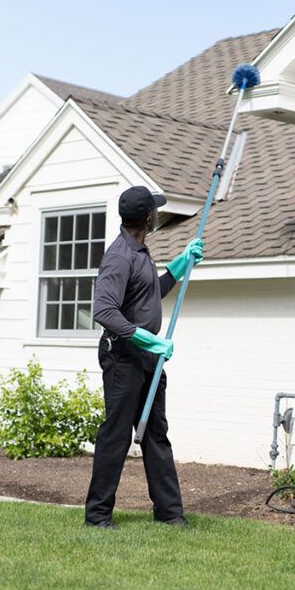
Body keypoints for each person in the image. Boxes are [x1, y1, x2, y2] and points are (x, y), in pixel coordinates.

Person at [84, 185, 204, 529]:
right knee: (117, 434)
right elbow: (104, 311)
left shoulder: (140, 253)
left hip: (148, 360)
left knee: (155, 433)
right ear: (148, 217)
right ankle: (97, 517)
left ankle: (170, 513)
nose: (157, 213)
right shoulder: (120, 256)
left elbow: (150, 294)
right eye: (155, 210)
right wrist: (149, 341)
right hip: (123, 358)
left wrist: (180, 267)